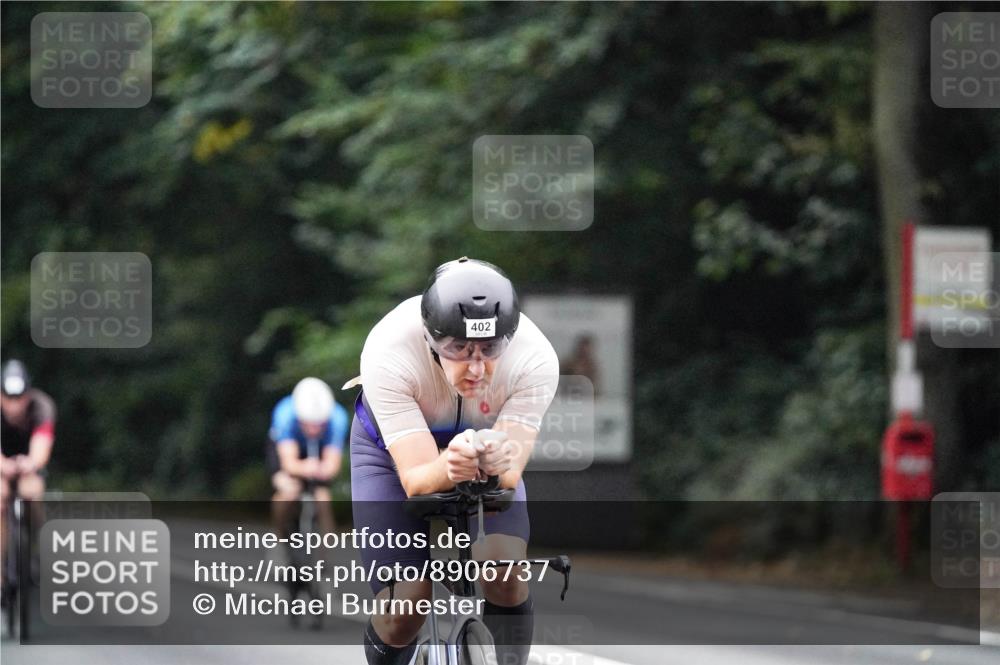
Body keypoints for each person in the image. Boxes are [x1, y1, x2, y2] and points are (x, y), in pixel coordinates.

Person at [350, 257, 559, 665]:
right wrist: (449, 466)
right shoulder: (388, 348)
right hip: (390, 453)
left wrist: (498, 461)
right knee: (405, 608)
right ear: (431, 340)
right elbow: (415, 478)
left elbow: (509, 473)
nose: (476, 367)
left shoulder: (535, 358)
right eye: (458, 348)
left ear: (509, 337)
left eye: (490, 348)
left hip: (482, 451)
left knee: (505, 572)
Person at [268, 377, 349, 538]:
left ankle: (325, 551)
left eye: (319, 425)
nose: (314, 431)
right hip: (288, 449)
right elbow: (288, 463)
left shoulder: (338, 418)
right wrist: (303, 468)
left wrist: (323, 470)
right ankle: (278, 536)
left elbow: (333, 464)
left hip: (319, 451)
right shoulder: (285, 414)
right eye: (308, 425)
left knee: (323, 498)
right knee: (288, 490)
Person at [1, 359, 56, 581]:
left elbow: (42, 446)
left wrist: (31, 463)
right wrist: (4, 465)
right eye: (9, 398)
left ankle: (38, 541)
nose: (14, 406)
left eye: (19, 398)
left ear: (28, 395)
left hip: (29, 465)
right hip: (2, 466)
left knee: (31, 493)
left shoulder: (42, 406)